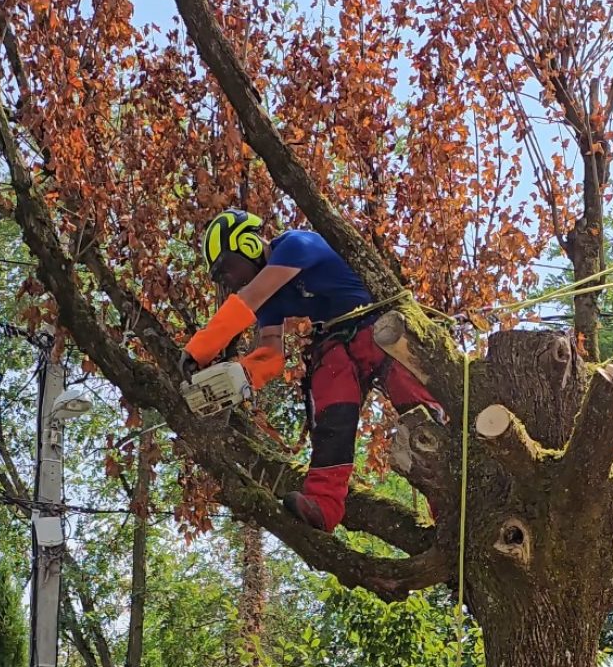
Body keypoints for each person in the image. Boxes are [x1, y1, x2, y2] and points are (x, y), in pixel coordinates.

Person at [179, 209, 443, 532]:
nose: (228, 281)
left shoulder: (293, 245)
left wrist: (199, 348)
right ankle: (323, 504)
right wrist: (238, 375)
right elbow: (271, 352)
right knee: (329, 409)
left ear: (246, 244)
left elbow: (250, 297)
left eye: (225, 269)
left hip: (377, 324)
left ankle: (450, 495)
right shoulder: (268, 301)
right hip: (336, 340)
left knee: (421, 410)